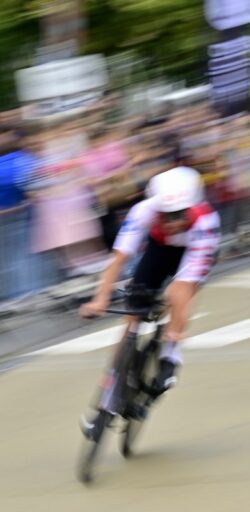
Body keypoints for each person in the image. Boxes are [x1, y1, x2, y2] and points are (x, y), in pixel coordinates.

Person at [79, 166, 220, 430]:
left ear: (193, 206)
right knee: (131, 318)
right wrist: (99, 299)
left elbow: (186, 285)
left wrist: (174, 331)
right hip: (159, 249)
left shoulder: (205, 221)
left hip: (191, 251)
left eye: (179, 214)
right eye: (166, 215)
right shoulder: (143, 211)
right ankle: (106, 402)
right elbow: (117, 260)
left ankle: (170, 354)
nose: (173, 221)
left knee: (178, 294)